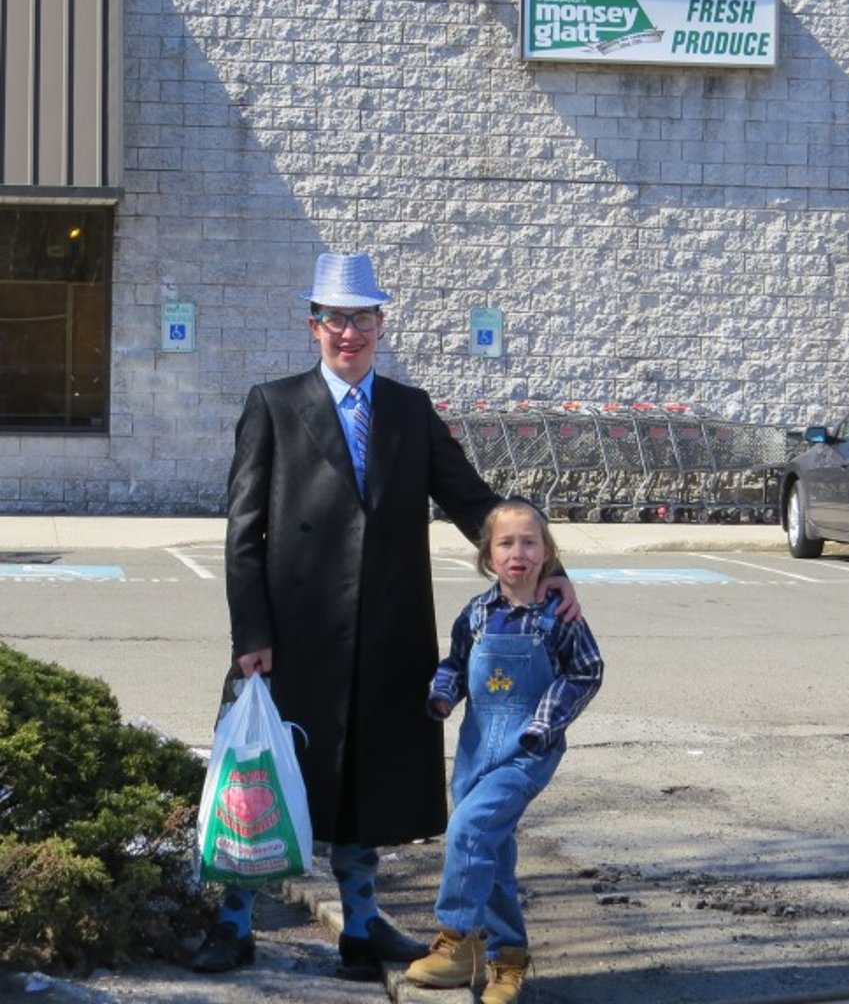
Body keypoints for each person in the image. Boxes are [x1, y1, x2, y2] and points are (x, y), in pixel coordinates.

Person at [193, 251, 579, 980]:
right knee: (260, 778)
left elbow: (474, 503)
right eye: (335, 319)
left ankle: (362, 929)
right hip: (292, 637)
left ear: (380, 324)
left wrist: (545, 565)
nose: (349, 333)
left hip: (387, 634)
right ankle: (233, 923)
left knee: (363, 787)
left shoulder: (409, 409)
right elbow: (244, 534)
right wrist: (252, 635)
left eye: (362, 318)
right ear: (314, 327)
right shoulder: (272, 405)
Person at [404, 499, 603, 1004]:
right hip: (475, 749)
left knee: (469, 831)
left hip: (527, 751)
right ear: (488, 556)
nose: (519, 553)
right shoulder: (475, 613)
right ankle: (508, 960)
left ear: (547, 552)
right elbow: (455, 663)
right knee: (490, 852)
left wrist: (545, 722)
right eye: (506, 543)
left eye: (530, 542)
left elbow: (587, 671)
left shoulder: (560, 616)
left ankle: (456, 941)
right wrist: (442, 692)